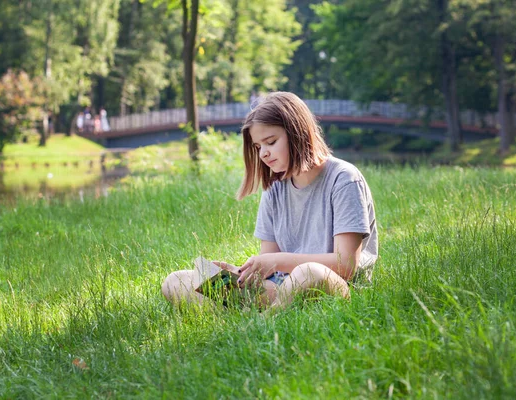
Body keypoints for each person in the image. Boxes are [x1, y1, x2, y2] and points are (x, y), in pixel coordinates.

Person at [161, 92, 378, 309]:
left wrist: (277, 262)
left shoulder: (344, 179)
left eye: (271, 142)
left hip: (333, 286)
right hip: (283, 288)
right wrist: (241, 273)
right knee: (176, 281)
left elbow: (346, 265)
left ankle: (257, 322)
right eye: (258, 147)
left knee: (308, 272)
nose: (263, 153)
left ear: (297, 133)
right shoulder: (274, 188)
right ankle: (249, 308)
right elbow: (270, 265)